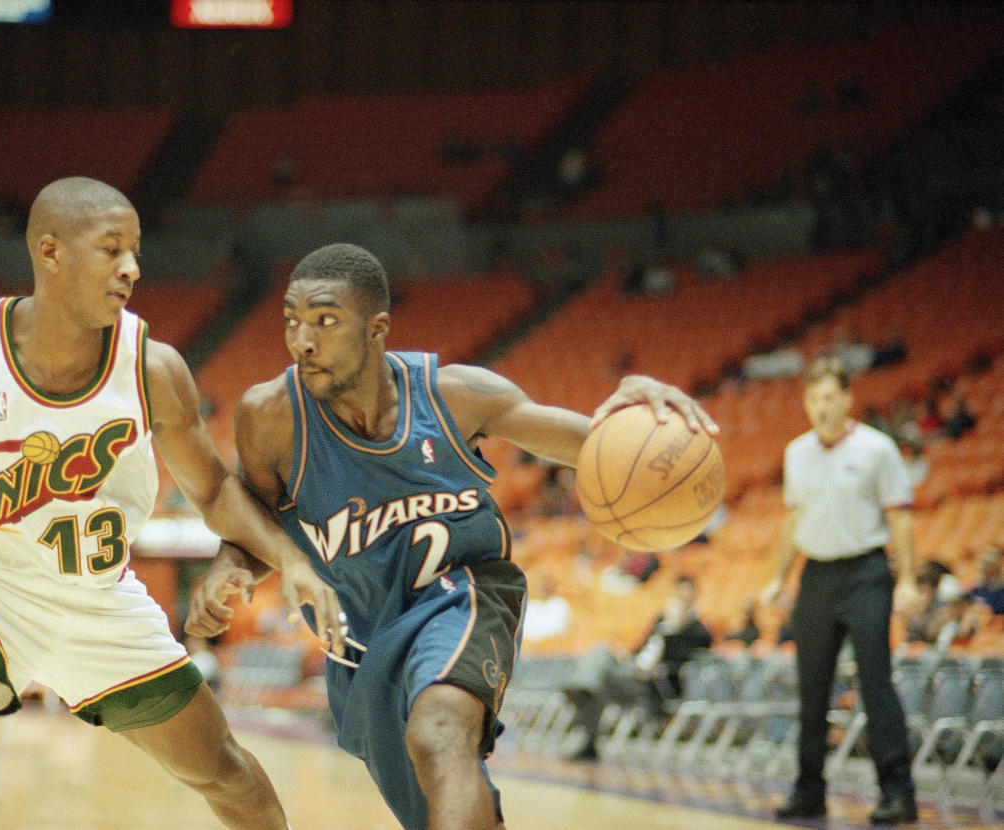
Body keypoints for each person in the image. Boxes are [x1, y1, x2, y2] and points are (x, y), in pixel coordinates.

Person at [0, 177, 345, 830]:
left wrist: (289, 560)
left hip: (101, 602)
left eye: (136, 251)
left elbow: (214, 491)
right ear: (51, 252)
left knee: (226, 769)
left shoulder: (152, 368)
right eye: (112, 248)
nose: (132, 268)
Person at [183, 243, 717, 830]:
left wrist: (639, 415)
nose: (302, 340)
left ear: (376, 329)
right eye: (292, 320)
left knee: (439, 733)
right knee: (434, 798)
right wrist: (227, 565)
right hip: (362, 641)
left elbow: (597, 447)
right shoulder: (271, 416)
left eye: (325, 320)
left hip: (462, 595)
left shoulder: (455, 396)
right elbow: (257, 527)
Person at [760, 356, 920, 824]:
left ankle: (898, 793)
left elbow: (901, 516)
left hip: (866, 573)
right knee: (811, 690)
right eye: (813, 399)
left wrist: (907, 579)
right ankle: (809, 791)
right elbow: (793, 520)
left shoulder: (878, 449)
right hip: (816, 576)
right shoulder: (796, 452)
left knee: (875, 684)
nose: (821, 407)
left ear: (848, 399)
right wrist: (776, 578)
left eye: (830, 397)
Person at [561, 575, 712, 761]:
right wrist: (626, 655)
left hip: (655, 683)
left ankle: (584, 688)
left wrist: (674, 628)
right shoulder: (661, 619)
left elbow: (683, 659)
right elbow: (643, 647)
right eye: (678, 593)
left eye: (686, 594)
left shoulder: (698, 629)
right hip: (635, 672)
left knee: (598, 681)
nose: (681, 598)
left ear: (694, 597)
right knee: (603, 651)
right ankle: (585, 692)